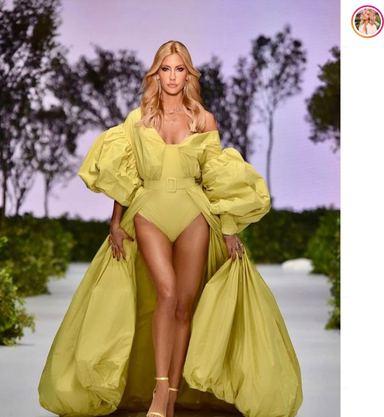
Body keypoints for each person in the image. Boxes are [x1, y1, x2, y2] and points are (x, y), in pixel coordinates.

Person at [37, 40, 303, 417]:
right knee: (165, 292)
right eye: (166, 68)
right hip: (149, 209)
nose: (173, 76)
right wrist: (115, 222)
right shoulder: (138, 120)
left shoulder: (203, 119)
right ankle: (160, 390)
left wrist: (229, 228)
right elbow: (124, 174)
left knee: (183, 305)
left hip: (194, 211)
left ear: (188, 74)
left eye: (180, 69)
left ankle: (173, 395)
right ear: (156, 74)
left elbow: (217, 175)